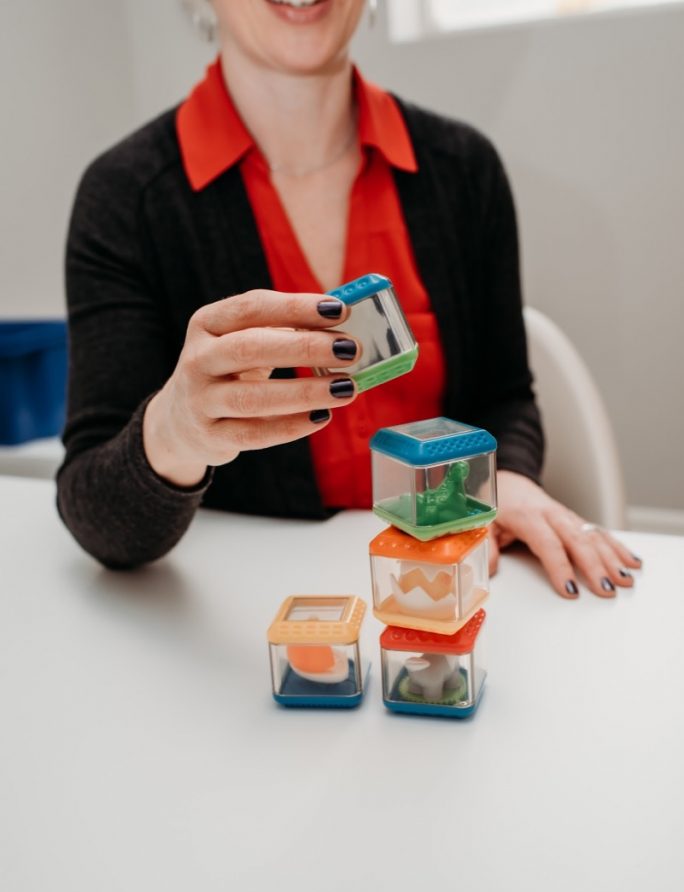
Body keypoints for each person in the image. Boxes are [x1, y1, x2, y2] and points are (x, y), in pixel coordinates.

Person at [57, 0, 641, 597]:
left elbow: (505, 396)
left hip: (445, 592)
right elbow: (101, 524)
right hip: (247, 620)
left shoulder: (465, 170)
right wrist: (175, 433)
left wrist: (504, 477)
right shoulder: (123, 200)